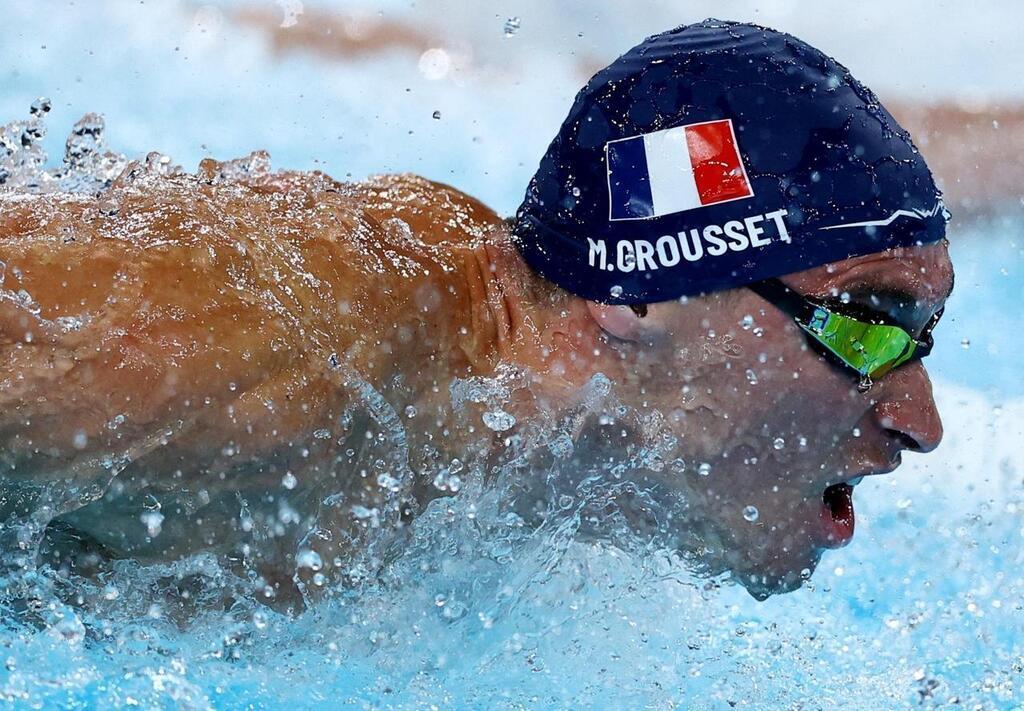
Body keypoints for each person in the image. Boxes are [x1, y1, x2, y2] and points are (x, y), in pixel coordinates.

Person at [0, 19, 952, 605]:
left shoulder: (543, 477)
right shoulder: (283, 359)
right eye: (868, 324)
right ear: (641, 295)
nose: (924, 423)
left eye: (922, 340)